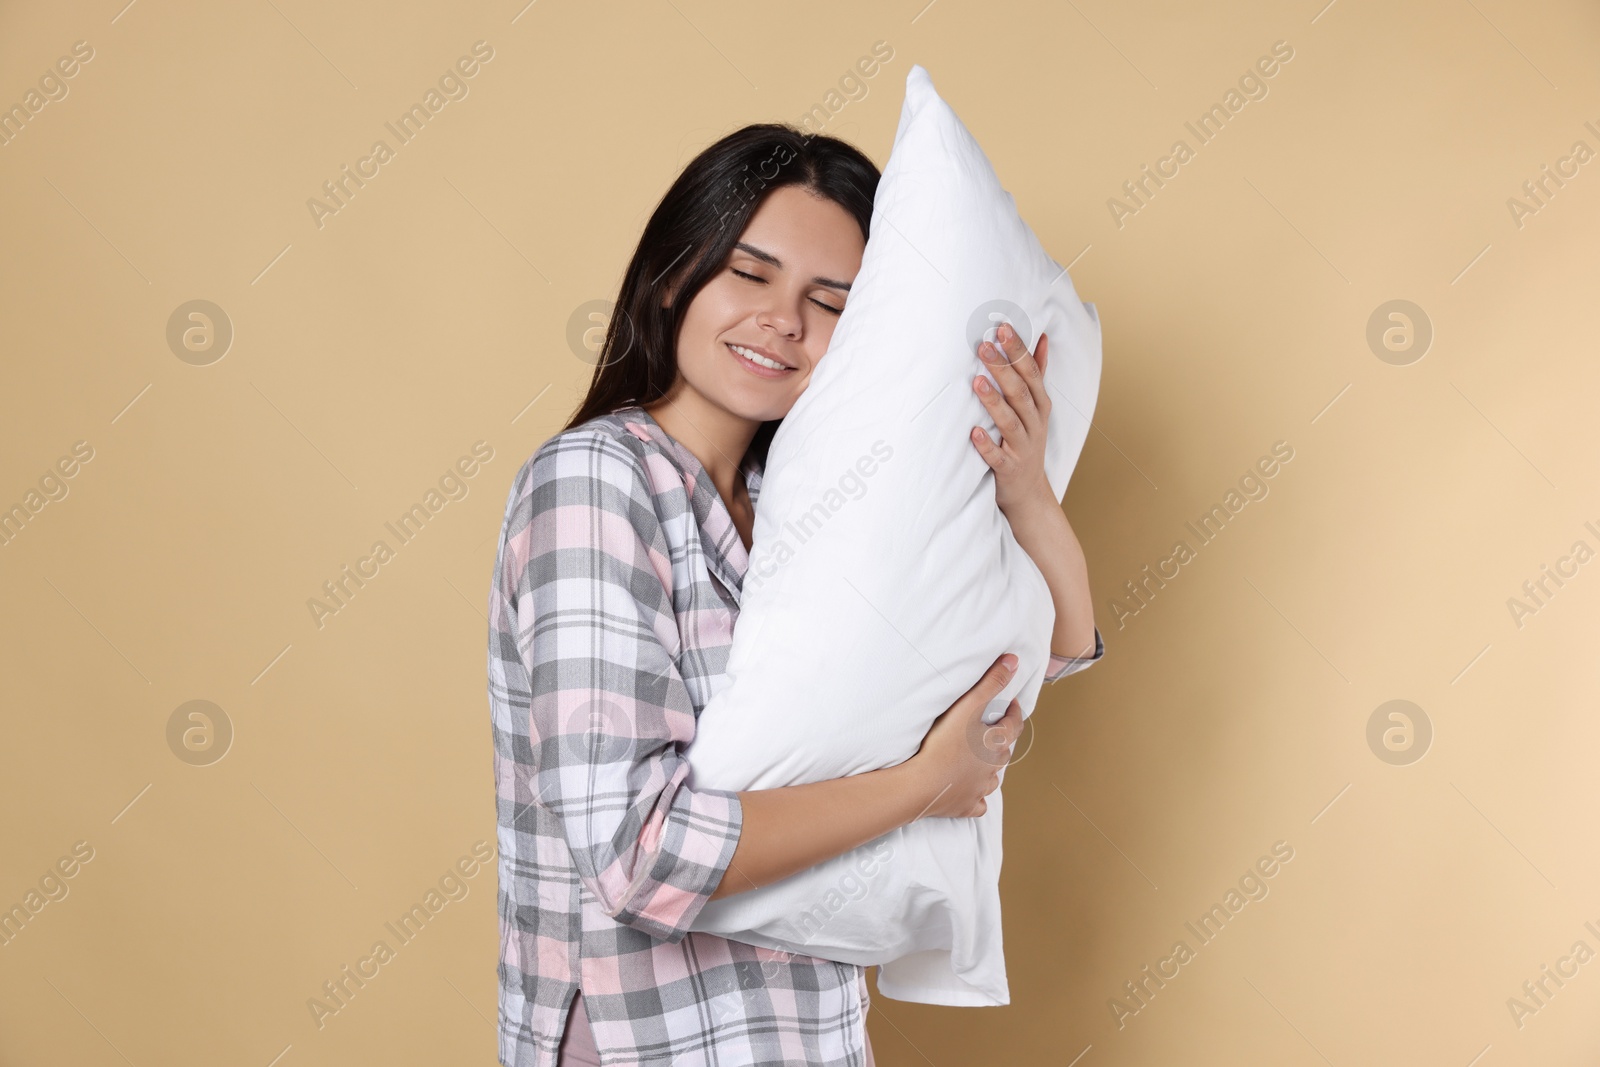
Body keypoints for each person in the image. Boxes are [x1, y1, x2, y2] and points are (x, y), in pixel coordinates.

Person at [486, 122, 1104, 1067]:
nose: (782, 319)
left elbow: (1041, 653)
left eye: (829, 302)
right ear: (672, 273)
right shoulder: (597, 483)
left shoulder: (805, 503)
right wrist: (920, 785)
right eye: (749, 272)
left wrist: (1026, 496)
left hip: (804, 1036)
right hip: (643, 1038)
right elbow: (637, 853)